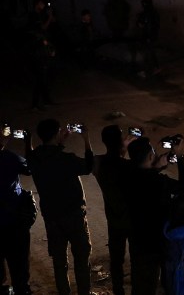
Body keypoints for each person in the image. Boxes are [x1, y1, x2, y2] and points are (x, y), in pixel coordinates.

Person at [26, 118, 95, 295]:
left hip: (52, 217)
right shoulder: (67, 159)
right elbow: (89, 167)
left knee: (59, 261)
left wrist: (31, 141)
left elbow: (33, 154)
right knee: (81, 259)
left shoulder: (34, 158)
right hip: (74, 216)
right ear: (57, 134)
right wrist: (86, 139)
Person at [126, 135, 184, 295]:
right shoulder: (158, 182)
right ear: (150, 157)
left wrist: (157, 166)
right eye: (153, 152)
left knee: (139, 282)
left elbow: (144, 175)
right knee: (154, 282)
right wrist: (180, 158)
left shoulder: (129, 175)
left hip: (136, 239)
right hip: (155, 241)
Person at [92, 125, 135, 295]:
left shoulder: (98, 162)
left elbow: (111, 161)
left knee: (116, 259)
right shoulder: (128, 166)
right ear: (120, 141)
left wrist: (121, 148)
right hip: (132, 218)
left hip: (114, 218)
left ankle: (118, 290)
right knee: (136, 256)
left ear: (103, 141)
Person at [0, 129, 35, 295]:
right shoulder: (8, 157)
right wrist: (28, 143)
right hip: (13, 223)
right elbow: (31, 167)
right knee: (20, 270)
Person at [27, 0, 57, 110]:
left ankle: (45, 100)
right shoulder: (33, 16)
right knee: (40, 76)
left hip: (43, 48)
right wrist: (49, 17)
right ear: (36, 4)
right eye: (41, 4)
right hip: (37, 50)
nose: (43, 5)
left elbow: (52, 23)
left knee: (45, 76)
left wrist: (50, 16)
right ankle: (35, 104)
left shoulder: (41, 15)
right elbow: (42, 28)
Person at [135, 0, 161, 78]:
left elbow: (145, 25)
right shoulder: (153, 13)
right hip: (150, 36)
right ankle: (155, 68)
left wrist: (148, 36)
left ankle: (146, 71)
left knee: (146, 54)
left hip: (148, 36)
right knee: (150, 52)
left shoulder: (148, 14)